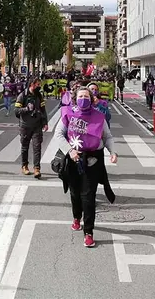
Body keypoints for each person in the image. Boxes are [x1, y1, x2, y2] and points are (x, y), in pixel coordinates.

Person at [54, 87, 117, 248]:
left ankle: (88, 232)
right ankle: (76, 217)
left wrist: (113, 152)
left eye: (86, 96)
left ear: (92, 98)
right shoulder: (68, 113)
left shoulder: (98, 117)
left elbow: (107, 136)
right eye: (81, 96)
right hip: (74, 158)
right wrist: (70, 150)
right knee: (75, 192)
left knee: (88, 197)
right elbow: (59, 134)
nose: (84, 98)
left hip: (93, 160)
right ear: (75, 98)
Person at [15, 77, 48, 178]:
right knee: (25, 147)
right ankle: (24, 166)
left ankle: (37, 168)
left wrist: (45, 123)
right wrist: (26, 109)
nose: (39, 86)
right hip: (25, 126)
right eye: (38, 84)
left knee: (37, 147)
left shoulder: (39, 96)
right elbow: (16, 112)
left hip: (37, 126)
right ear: (32, 85)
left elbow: (43, 110)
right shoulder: (22, 95)